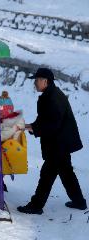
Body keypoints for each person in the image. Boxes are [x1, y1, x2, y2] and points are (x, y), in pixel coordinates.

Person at [17, 68, 87, 214]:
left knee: (47, 175)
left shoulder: (54, 99)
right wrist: (30, 126)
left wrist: (33, 129)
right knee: (66, 173)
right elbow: (45, 120)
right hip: (61, 143)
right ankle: (79, 202)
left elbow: (52, 125)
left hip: (59, 144)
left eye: (37, 80)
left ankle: (36, 206)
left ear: (45, 81)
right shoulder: (50, 95)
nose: (35, 83)